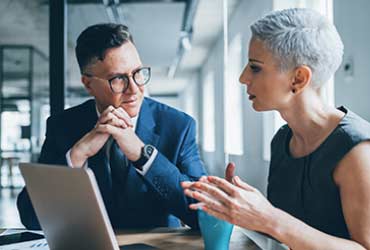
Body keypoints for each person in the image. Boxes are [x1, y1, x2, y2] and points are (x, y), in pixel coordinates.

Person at [182, 8, 370, 249]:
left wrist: (268, 217)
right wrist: (239, 208)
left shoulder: (357, 152)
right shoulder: (282, 141)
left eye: (255, 67)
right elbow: (288, 236)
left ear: (298, 79)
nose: (242, 78)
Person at [17, 23, 206, 230]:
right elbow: (30, 217)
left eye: (138, 72)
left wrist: (144, 156)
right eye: (118, 79)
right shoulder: (62, 126)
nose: (134, 89)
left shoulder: (178, 126)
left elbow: (203, 213)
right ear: (88, 84)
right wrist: (78, 154)